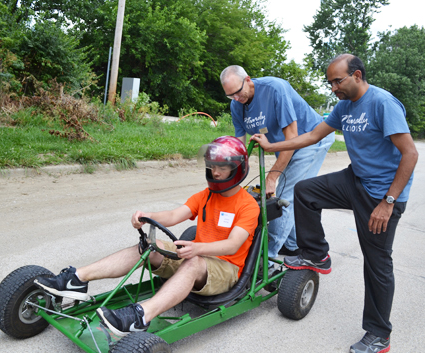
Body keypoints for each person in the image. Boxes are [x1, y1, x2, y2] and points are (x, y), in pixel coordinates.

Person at [251, 54, 418, 353]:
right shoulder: (343, 107)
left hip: (382, 194)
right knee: (305, 191)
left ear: (356, 75)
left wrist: (388, 202)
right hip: (356, 179)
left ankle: (379, 335)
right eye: (330, 83)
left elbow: (410, 154)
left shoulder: (382, 103)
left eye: (337, 81)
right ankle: (317, 255)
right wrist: (271, 146)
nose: (333, 88)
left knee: (377, 266)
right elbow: (313, 135)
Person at [34, 136, 260, 337]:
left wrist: (198, 249)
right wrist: (147, 215)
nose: (215, 172)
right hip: (197, 257)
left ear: (236, 168)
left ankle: (141, 315)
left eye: (222, 167)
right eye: (211, 166)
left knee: (193, 262)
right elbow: (174, 214)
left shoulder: (248, 206)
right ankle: (77, 279)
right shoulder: (206, 195)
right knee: (149, 246)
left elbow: (233, 245)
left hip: (226, 269)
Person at [220, 65, 334, 262]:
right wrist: (232, 176)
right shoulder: (236, 105)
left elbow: (292, 137)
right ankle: (292, 245)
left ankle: (265, 257)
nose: (237, 99)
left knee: (283, 196)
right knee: (288, 193)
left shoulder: (275, 89)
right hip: (282, 144)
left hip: (311, 139)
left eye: (238, 92)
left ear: (248, 79)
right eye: (231, 96)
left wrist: (272, 176)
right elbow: (239, 143)